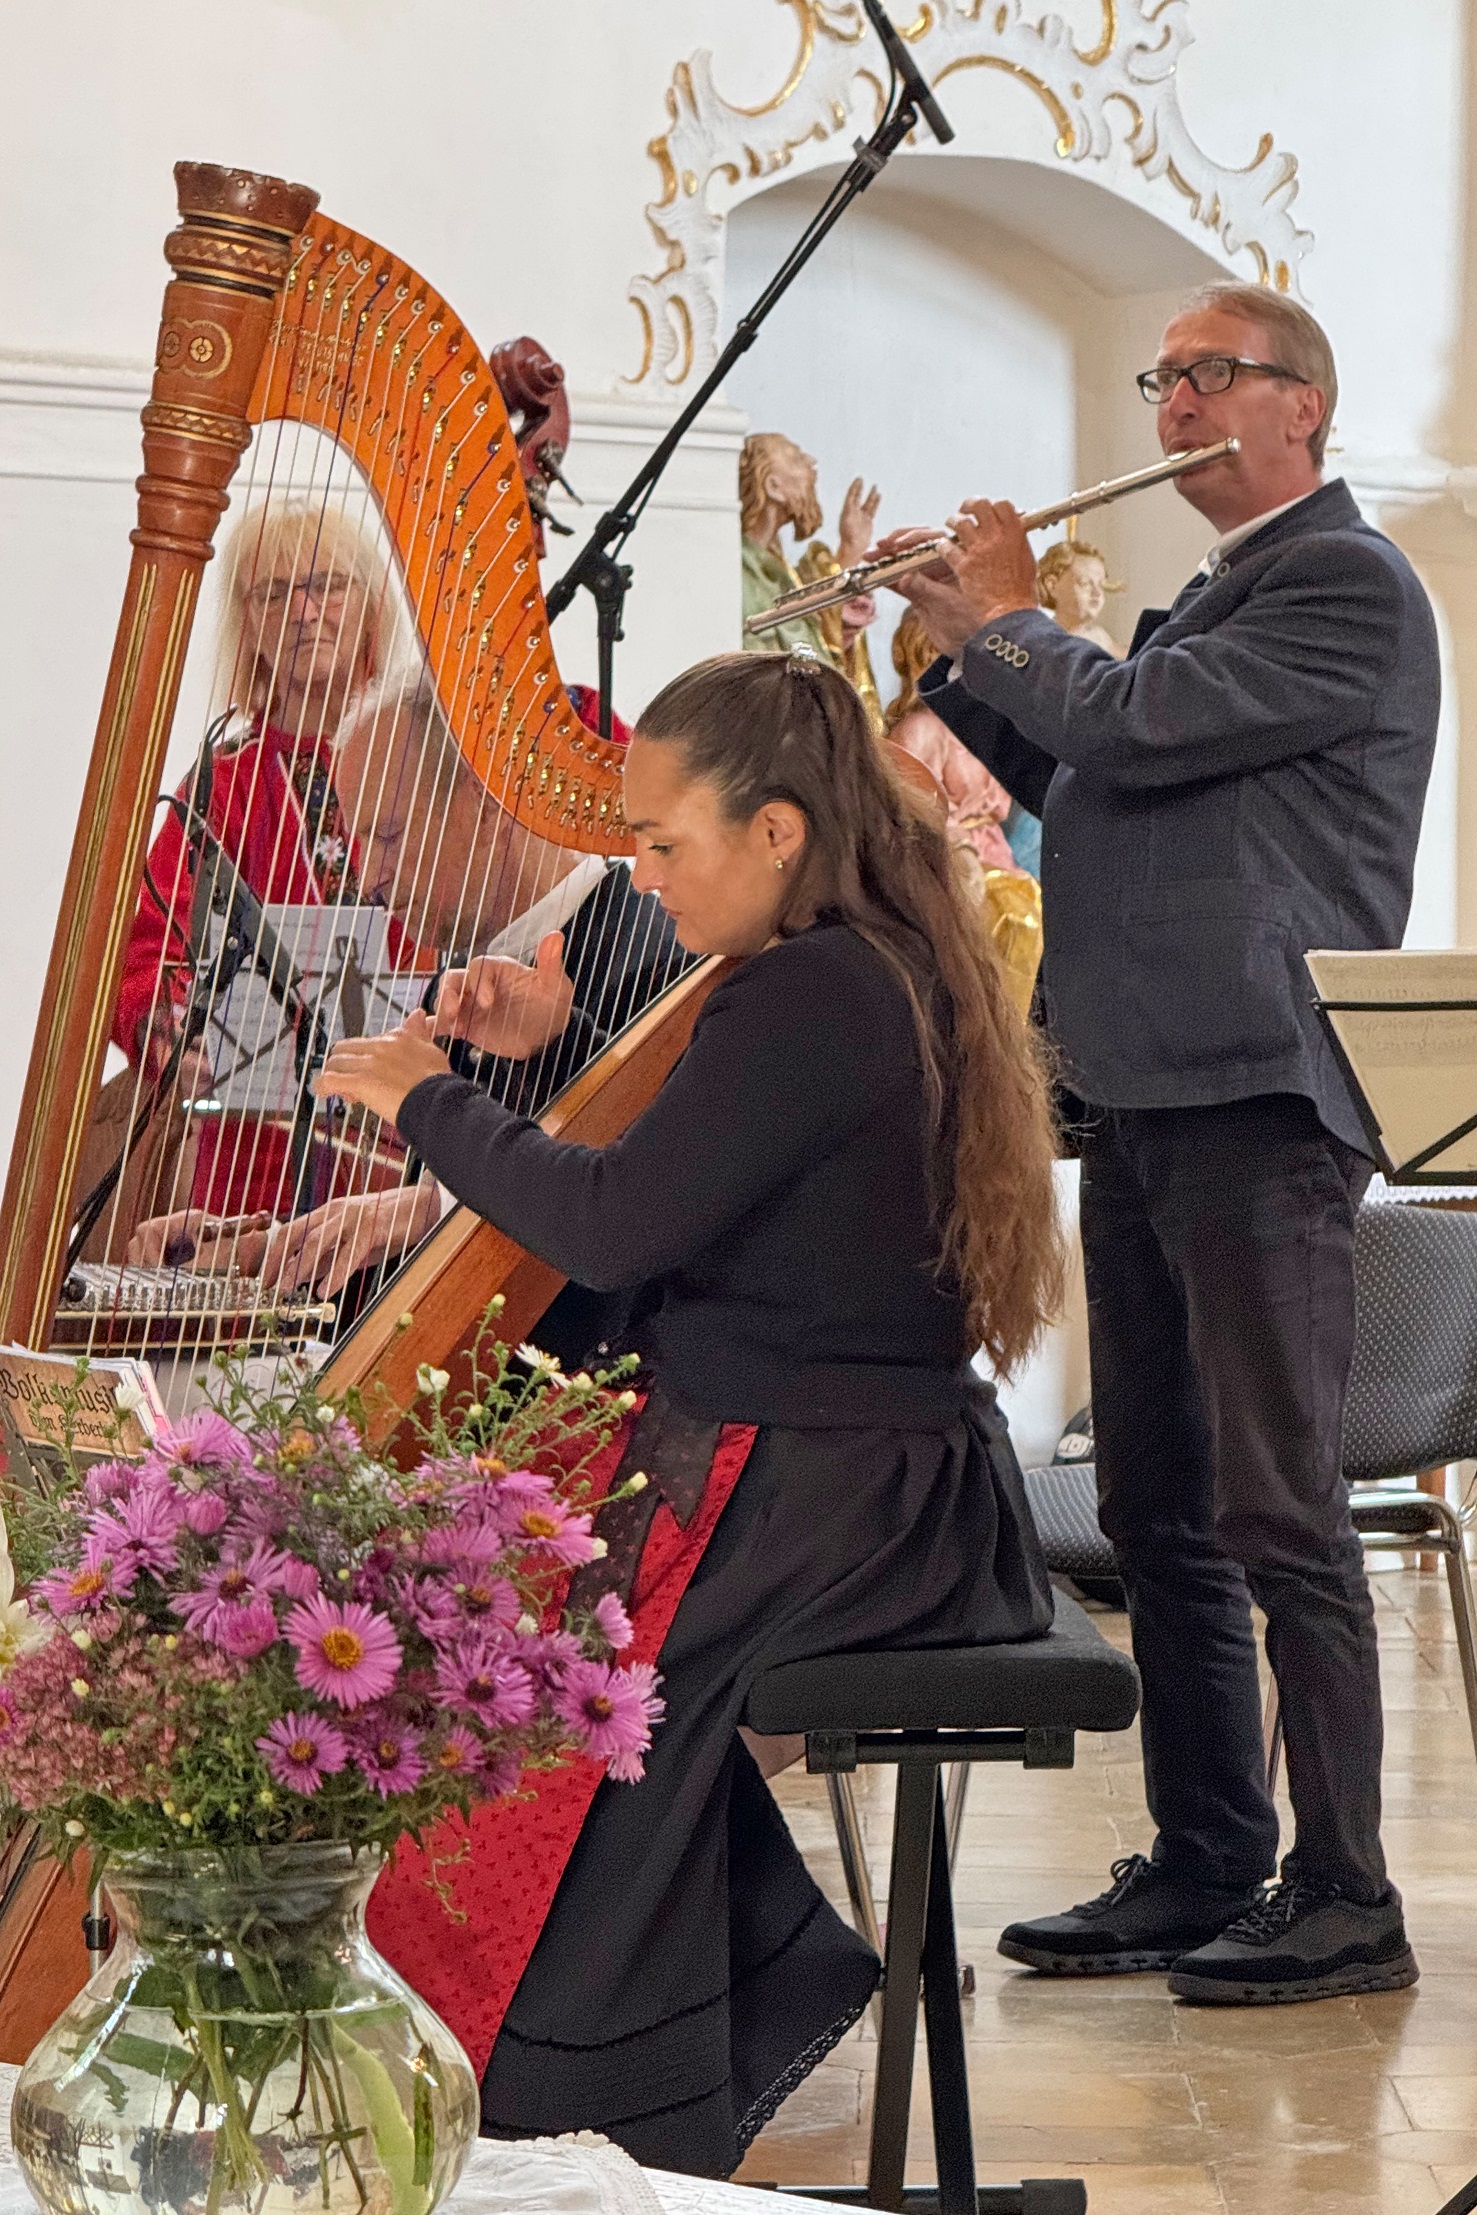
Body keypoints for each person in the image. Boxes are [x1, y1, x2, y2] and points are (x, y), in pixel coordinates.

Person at [313, 648, 1063, 2173]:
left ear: (776, 829)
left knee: (504, 1705)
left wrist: (427, 1095)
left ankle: (569, 2093)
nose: (641, 878)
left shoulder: (814, 990)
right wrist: (547, 1056)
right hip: (839, 1469)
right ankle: (597, 2053)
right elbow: (707, 1183)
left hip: (832, 1497)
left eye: (662, 844)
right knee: (475, 1644)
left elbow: (613, 1229)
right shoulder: (842, 966)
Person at [878, 280, 1440, 2005]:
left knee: (1279, 1507)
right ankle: (1209, 1857)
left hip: (1258, 1092)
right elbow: (1067, 759)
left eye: (1212, 377)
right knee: (1156, 1505)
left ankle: (1346, 1894)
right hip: (1135, 1084)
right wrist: (937, 646)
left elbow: (1122, 723)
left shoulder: (1345, 581)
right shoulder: (1211, 599)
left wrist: (1019, 619)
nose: (1176, 403)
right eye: (1164, 378)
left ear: (1305, 411)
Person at [130, 677, 689, 1306]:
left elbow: (614, 1239)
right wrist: (273, 1251)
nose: (368, 878)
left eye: (387, 836)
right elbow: (425, 1268)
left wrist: (427, 1209)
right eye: (358, 841)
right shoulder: (449, 986)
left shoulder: (654, 963)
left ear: (482, 805)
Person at [108, 497, 396, 1235]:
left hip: (412, 1157)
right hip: (254, 1163)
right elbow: (142, 954)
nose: (303, 611)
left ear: (370, 605)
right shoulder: (220, 784)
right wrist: (176, 1031)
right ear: (250, 622)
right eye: (273, 593)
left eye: (327, 585)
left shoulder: (424, 764)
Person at [739, 433, 882, 719]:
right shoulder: (739, 572)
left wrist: (851, 551)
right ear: (774, 487)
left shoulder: (779, 572)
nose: (811, 461)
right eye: (795, 457)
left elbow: (817, 641)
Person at [885, 607, 1018, 874]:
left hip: (996, 853)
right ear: (934, 655)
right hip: (949, 865)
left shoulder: (980, 722)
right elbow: (913, 817)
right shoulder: (919, 731)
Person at [1034, 537, 1124, 658]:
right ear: (1052, 586)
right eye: (1085, 583)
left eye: (1101, 585)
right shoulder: (1045, 639)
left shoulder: (1101, 637)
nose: (1096, 593)